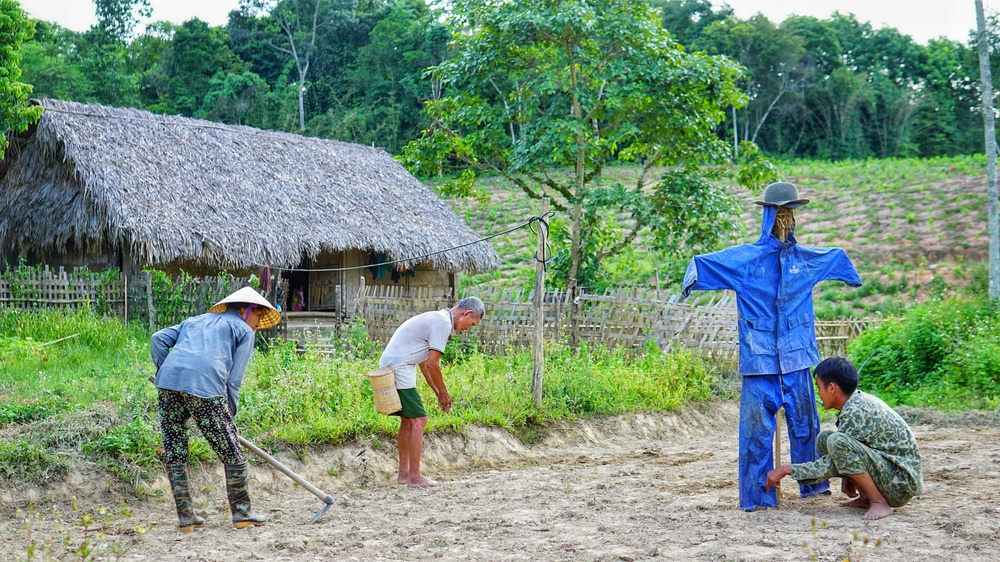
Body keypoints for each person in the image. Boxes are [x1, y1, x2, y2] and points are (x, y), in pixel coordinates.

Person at [682, 182, 862, 511]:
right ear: (769, 215)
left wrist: (849, 275)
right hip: (759, 358)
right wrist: (691, 281)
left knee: (806, 423)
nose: (785, 217)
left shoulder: (804, 260)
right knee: (755, 433)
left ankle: (812, 485)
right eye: (780, 212)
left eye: (789, 212)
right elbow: (704, 263)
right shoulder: (745, 260)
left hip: (796, 356)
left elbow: (836, 257)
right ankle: (758, 495)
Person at [151, 286, 281, 532]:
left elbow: (158, 339)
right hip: (206, 388)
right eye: (259, 316)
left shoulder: (194, 320)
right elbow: (234, 380)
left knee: (175, 451)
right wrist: (229, 415)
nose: (258, 323)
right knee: (232, 453)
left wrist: (163, 371)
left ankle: (186, 518)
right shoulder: (243, 330)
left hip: (168, 387)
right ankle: (242, 514)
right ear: (245, 309)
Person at [766, 356, 923, 520]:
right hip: (890, 473)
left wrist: (786, 469)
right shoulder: (855, 404)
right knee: (826, 438)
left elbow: (829, 464)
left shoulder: (857, 413)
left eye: (819, 388)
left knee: (836, 442)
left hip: (900, 485)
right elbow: (851, 451)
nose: (819, 394)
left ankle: (878, 501)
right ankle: (865, 498)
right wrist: (849, 477)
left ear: (832, 388)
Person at [379, 296, 485, 487]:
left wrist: (437, 391)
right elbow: (433, 364)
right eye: (472, 323)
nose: (468, 329)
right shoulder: (443, 323)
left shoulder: (438, 318)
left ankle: (404, 475)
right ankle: (415, 477)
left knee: (408, 421)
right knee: (420, 420)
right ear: (466, 313)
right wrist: (444, 393)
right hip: (399, 366)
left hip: (401, 364)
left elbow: (424, 363)